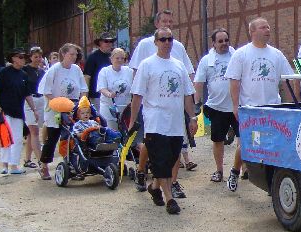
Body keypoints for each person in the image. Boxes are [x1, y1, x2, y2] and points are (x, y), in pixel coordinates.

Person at [128, 27, 197, 215]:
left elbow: (187, 95)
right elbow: (137, 96)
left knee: (172, 157)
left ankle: (154, 187)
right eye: (163, 39)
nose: (167, 42)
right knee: (160, 158)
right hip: (155, 121)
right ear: (156, 42)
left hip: (175, 122)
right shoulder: (147, 65)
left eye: (169, 39)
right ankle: (170, 199)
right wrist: (132, 121)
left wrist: (192, 117)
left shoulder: (179, 66)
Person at [225, 18, 296, 192]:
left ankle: (272, 182)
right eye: (263, 27)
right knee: (248, 144)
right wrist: (235, 106)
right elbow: (234, 82)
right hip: (251, 109)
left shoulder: (276, 55)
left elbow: (289, 80)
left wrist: (292, 104)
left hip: (273, 109)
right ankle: (235, 171)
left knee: (274, 146)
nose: (267, 30)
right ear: (252, 31)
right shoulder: (241, 54)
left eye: (268, 27)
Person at [194, 28, 240, 184]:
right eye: (220, 41)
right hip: (217, 107)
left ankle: (242, 169)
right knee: (218, 140)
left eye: (226, 40)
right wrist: (196, 104)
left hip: (237, 106)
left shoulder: (237, 56)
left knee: (243, 139)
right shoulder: (206, 60)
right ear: (213, 43)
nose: (224, 43)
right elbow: (199, 83)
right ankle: (219, 170)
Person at [37, 43, 87, 180]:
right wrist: (58, 105)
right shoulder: (55, 69)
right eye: (71, 54)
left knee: (71, 137)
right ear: (64, 54)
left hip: (72, 106)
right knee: (52, 137)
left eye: (76, 54)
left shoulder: (76, 69)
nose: (74, 57)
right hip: (55, 107)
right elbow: (46, 91)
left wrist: (82, 104)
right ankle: (44, 165)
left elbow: (83, 89)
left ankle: (71, 166)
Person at [0, 47, 40, 175]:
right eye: (20, 57)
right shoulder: (5, 72)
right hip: (5, 109)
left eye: (24, 57)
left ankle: (14, 165)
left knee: (17, 139)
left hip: (18, 111)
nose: (23, 59)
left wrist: (34, 109)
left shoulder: (23, 75)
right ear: (13, 58)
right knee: (5, 137)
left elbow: (27, 94)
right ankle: (4, 165)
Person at [96, 47, 133, 130]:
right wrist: (109, 94)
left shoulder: (129, 71)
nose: (120, 60)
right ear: (111, 59)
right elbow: (102, 88)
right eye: (117, 58)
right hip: (109, 108)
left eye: (122, 58)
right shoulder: (105, 71)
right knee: (111, 132)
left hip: (125, 109)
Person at [22, 46, 46, 168]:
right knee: (34, 131)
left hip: (40, 100)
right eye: (35, 57)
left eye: (40, 57)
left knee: (32, 133)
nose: (38, 59)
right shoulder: (25, 70)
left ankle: (27, 159)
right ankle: (41, 160)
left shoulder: (42, 71)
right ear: (30, 57)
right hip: (29, 101)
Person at [83, 32, 116, 112]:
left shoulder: (113, 57)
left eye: (111, 41)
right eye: (106, 41)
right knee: (100, 117)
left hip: (112, 95)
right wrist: (85, 97)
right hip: (96, 95)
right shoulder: (93, 57)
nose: (109, 43)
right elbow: (87, 77)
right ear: (100, 43)